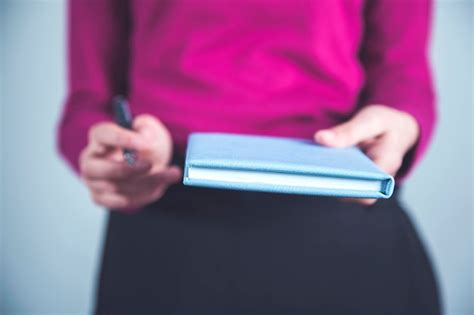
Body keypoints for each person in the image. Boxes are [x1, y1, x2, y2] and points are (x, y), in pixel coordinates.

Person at [58, 0, 441, 314]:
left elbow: (403, 72)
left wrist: (402, 122)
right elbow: (89, 104)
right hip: (166, 227)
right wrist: (115, 153)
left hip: (341, 224)